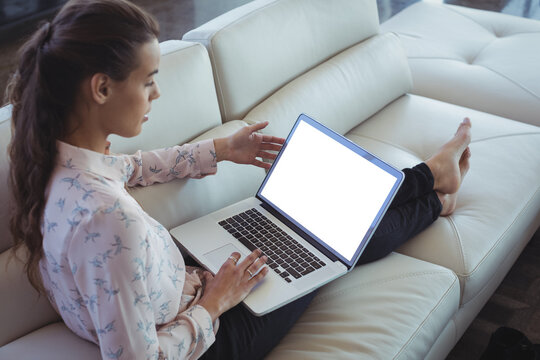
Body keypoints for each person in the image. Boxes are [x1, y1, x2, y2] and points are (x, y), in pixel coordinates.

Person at [6, 0, 471, 359]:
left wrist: (220, 150)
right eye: (148, 80)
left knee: (296, 222)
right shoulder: (108, 221)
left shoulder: (56, 158)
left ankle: (428, 178)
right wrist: (215, 303)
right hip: (208, 338)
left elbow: (133, 167)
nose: (157, 93)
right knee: (324, 244)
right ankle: (433, 197)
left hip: (178, 283)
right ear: (102, 88)